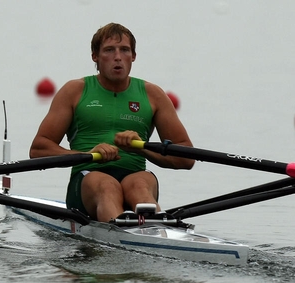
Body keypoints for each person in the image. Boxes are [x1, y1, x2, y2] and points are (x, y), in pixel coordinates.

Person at [29, 23, 194, 223]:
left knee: (140, 183)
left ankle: (154, 230)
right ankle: (123, 233)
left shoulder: (153, 95)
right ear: (95, 57)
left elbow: (186, 157)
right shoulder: (75, 91)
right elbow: (39, 149)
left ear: (133, 56)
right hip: (87, 181)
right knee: (107, 185)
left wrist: (142, 149)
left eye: (124, 50)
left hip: (135, 176)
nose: (117, 57)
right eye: (109, 50)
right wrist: (89, 155)